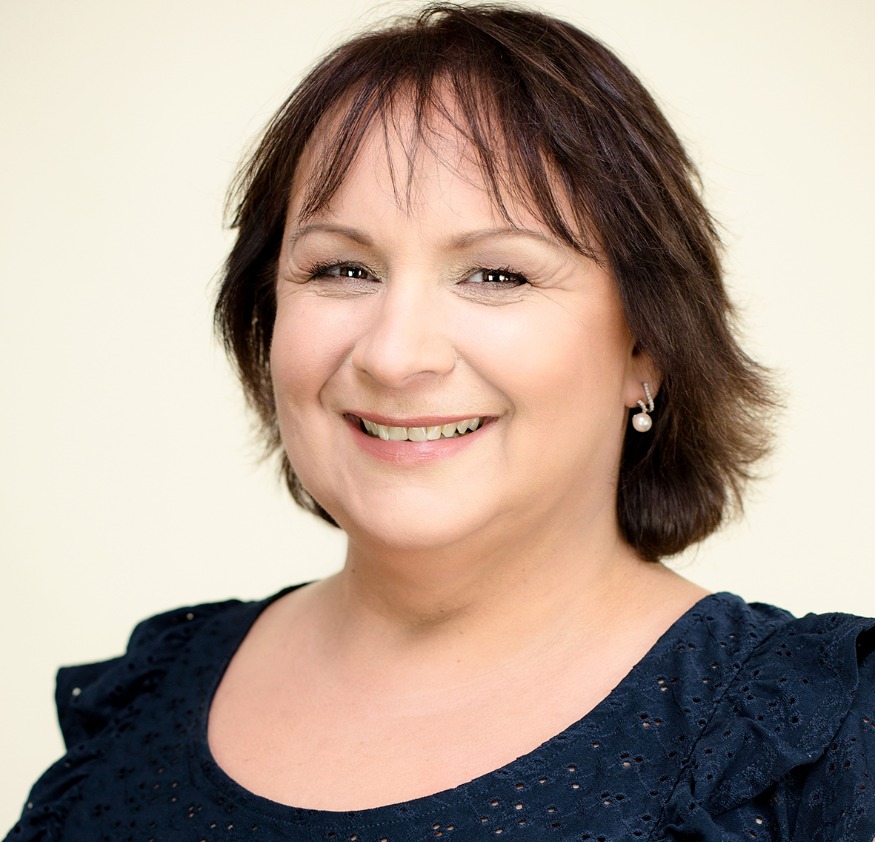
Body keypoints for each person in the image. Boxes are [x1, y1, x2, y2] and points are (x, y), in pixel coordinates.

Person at [6, 3, 873, 840]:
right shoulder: (145, 701)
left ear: (647, 344)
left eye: (496, 275)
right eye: (341, 269)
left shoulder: (812, 743)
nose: (394, 354)